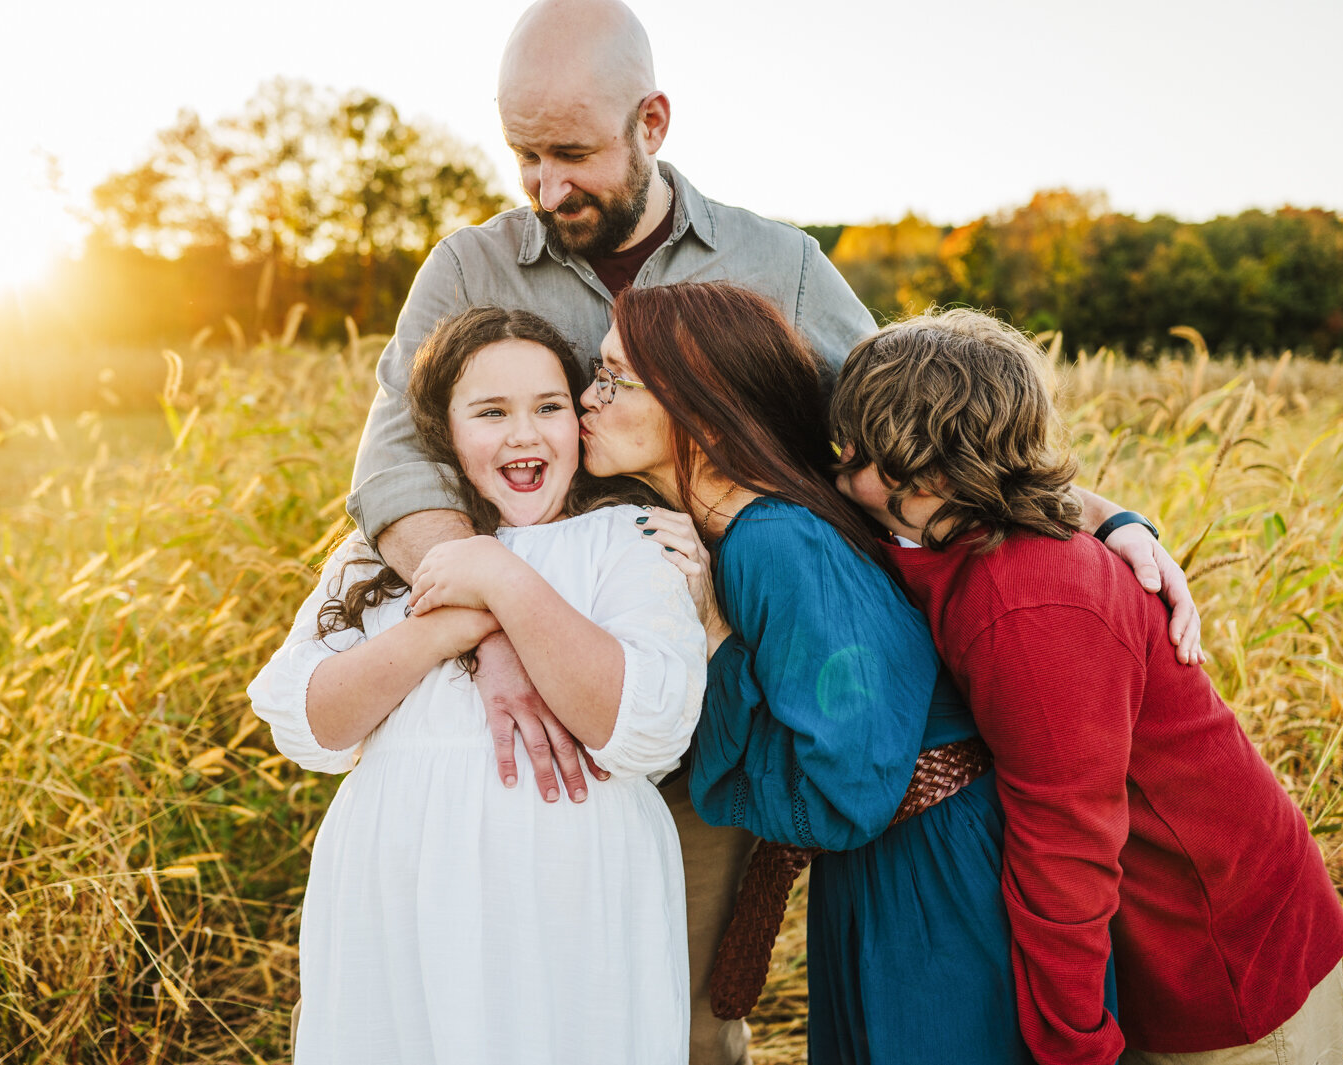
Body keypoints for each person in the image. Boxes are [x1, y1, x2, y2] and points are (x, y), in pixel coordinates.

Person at [348, 3, 1199, 1059]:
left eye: (571, 153)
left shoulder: (778, 265)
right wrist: (496, 637)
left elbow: (911, 428)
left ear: (652, 121)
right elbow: (395, 465)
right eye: (523, 154)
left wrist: (1096, 514)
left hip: (718, 711)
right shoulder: (467, 270)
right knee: (520, 1006)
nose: (544, 187)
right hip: (511, 722)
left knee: (683, 1020)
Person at [828, 308, 1343, 1065]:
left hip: (1219, 966)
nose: (839, 464)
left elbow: (1066, 843)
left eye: (858, 448)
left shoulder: (1028, 599)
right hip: (1143, 953)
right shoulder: (940, 539)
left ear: (933, 467)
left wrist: (1073, 1045)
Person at [577, 280, 1035, 1064]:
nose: (587, 397)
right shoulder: (736, 534)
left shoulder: (776, 543)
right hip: (885, 865)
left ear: (700, 405)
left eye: (616, 378)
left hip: (933, 873)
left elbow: (846, 787)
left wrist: (718, 633)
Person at [249, 307, 705, 1064]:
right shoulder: (381, 556)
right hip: (399, 887)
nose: (523, 434)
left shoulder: (626, 539)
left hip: (569, 895)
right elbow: (313, 727)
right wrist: (447, 627)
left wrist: (500, 579)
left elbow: (640, 721)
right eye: (491, 412)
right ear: (445, 431)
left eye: (548, 407)